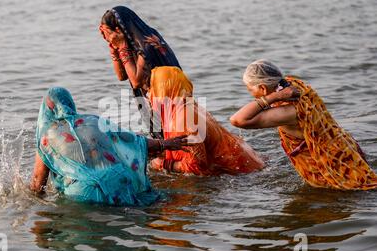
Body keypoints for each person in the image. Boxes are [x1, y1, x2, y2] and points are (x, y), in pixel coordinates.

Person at [230, 59, 377, 190]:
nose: (249, 93)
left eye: (250, 89)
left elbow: (237, 120)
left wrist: (273, 97)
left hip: (334, 167)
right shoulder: (294, 85)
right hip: (346, 147)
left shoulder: (288, 112)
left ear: (262, 88)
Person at [30, 87, 190, 205]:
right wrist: (164, 144)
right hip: (119, 182)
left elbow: (38, 185)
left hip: (85, 195)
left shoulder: (46, 139)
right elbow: (130, 140)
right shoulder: (92, 121)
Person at [149, 66, 264, 175]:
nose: (149, 93)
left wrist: (164, 164)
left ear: (163, 90)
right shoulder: (189, 106)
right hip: (249, 161)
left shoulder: (183, 118)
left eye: (151, 87)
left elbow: (198, 166)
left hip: (242, 173)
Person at [99, 6, 184, 138]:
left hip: (168, 99)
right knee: (164, 141)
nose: (106, 37)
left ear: (118, 30)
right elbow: (121, 76)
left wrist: (122, 47)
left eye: (107, 32)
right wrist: (114, 49)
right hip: (154, 101)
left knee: (172, 140)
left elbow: (136, 81)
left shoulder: (145, 44)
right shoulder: (131, 45)